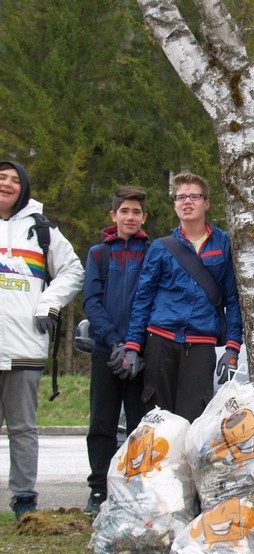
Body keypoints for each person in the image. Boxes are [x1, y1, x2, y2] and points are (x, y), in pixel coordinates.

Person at [121, 172, 242, 423]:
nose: (187, 202)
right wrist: (132, 346)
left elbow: (232, 298)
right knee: (158, 421)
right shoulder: (161, 247)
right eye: (180, 197)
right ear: (175, 205)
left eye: (194, 196)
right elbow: (143, 299)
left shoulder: (223, 243)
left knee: (194, 420)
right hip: (160, 341)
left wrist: (232, 347)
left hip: (201, 344)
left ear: (206, 203)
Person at [0, 160, 84, 520]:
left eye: (14, 179)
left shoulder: (42, 229)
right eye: (1, 178)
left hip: (24, 346)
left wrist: (48, 303)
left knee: (22, 428)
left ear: (24, 187)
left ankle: (24, 500)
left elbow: (73, 271)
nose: (6, 184)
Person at [82, 186, 150, 515]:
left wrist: (136, 345)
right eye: (125, 211)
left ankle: (137, 487)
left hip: (142, 353)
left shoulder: (152, 252)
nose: (130, 217)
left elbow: (151, 299)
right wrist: (114, 342)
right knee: (102, 423)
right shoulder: (99, 254)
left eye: (136, 212)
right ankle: (99, 490)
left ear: (144, 217)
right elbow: (91, 301)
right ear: (114, 215)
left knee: (140, 425)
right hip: (106, 351)